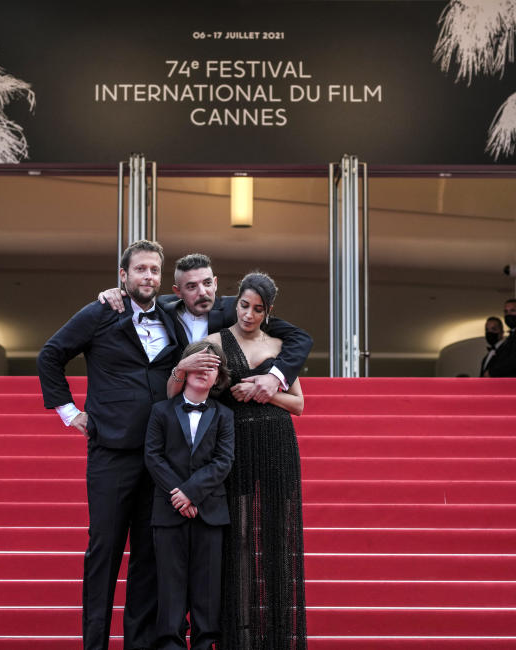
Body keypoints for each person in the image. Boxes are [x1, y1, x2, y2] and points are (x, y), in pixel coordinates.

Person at [37, 240, 181, 650]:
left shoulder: (173, 314)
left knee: (148, 559)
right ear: (123, 276)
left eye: (154, 270)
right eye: (140, 270)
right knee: (104, 553)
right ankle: (94, 644)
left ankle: (139, 643)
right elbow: (50, 355)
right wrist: (70, 412)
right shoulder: (101, 312)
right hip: (111, 454)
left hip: (160, 457)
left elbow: (210, 299)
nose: (148, 277)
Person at [179, 272, 306, 649]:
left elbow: (299, 404)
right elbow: (193, 389)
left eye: (258, 309)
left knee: (277, 539)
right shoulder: (214, 342)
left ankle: (278, 638)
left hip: (278, 444)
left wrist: (262, 390)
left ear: (269, 311)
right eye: (244, 306)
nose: (249, 314)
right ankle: (237, 638)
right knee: (235, 541)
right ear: (235, 304)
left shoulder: (281, 345)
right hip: (234, 445)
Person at [98, 252, 312, 402]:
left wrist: (275, 377)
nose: (202, 292)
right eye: (192, 286)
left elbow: (300, 338)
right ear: (177, 291)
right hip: (171, 405)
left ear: (216, 283)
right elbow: (136, 300)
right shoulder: (162, 308)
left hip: (224, 409)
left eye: (207, 283)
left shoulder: (237, 309)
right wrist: (115, 293)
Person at [145, 340, 235, 650]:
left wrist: (192, 494)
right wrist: (179, 495)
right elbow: (153, 457)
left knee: (208, 587)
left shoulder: (225, 416)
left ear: (219, 378)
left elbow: (224, 460)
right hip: (168, 511)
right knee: (170, 584)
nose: (203, 371)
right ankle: (169, 643)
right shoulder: (160, 411)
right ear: (184, 369)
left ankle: (205, 643)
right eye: (198, 363)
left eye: (212, 367)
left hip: (209, 512)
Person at [483, 299, 516, 377]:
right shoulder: (514, 335)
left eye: (513, 311)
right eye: (506, 312)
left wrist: (492, 372)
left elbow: (514, 361)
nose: (508, 314)